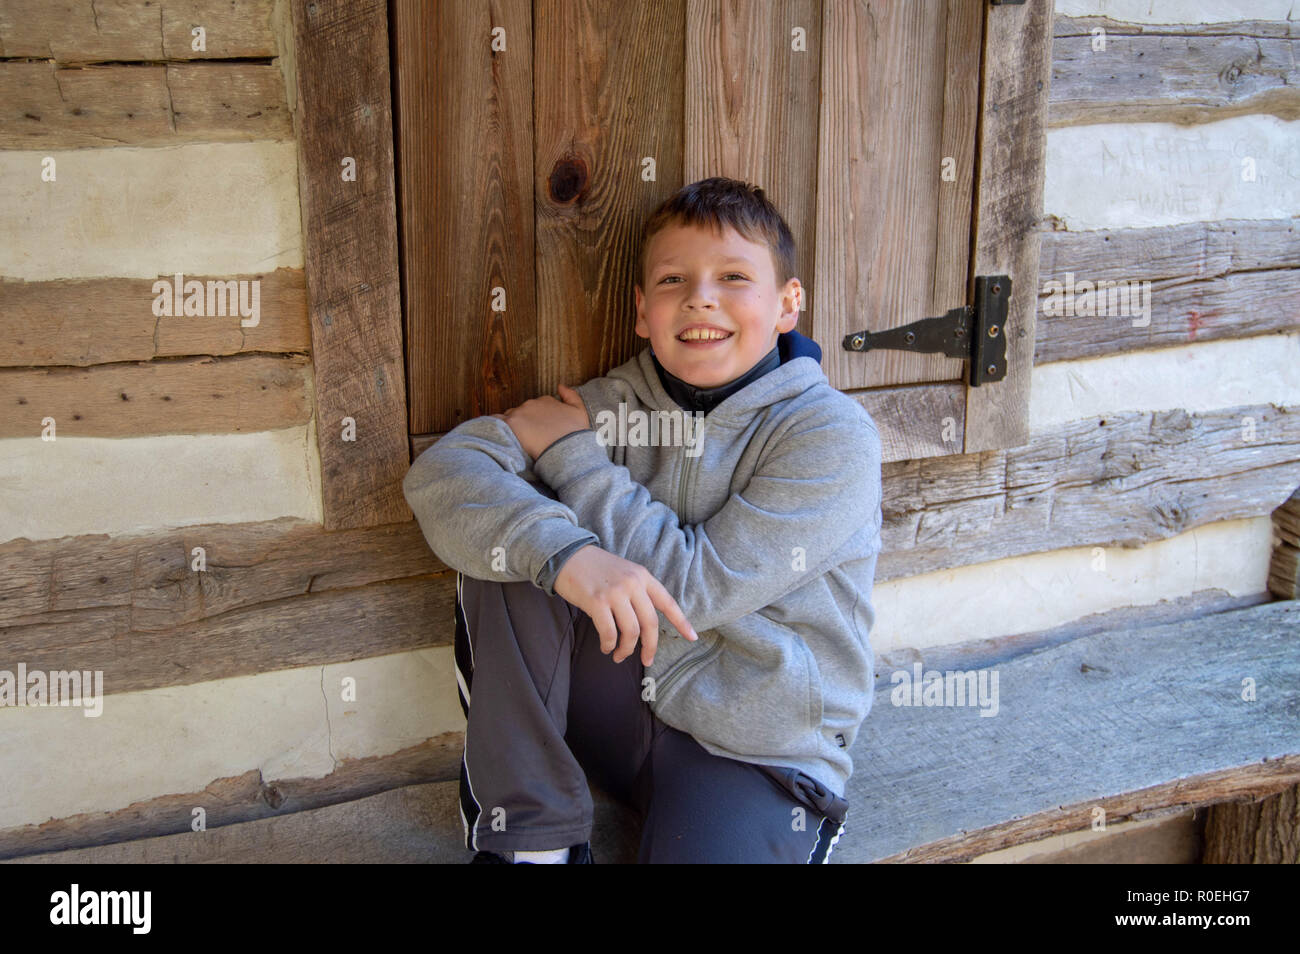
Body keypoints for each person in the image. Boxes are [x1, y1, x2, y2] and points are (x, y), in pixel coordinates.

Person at [403, 176, 883, 863]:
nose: (700, 297)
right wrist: (569, 557)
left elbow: (696, 589)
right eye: (672, 280)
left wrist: (575, 457)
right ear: (641, 311)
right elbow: (443, 476)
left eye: (734, 277)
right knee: (514, 549)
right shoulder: (615, 403)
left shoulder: (831, 435)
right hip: (618, 712)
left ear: (787, 304)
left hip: (754, 752)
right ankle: (532, 847)